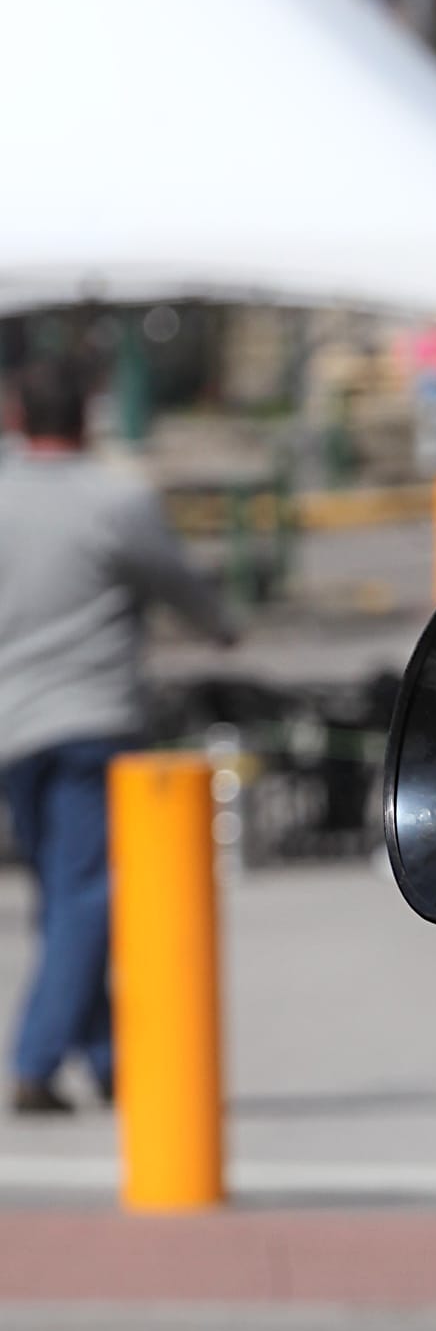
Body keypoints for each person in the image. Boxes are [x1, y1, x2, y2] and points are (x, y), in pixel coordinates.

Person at [0, 355, 235, 1114]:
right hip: (94, 720)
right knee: (87, 894)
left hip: (13, 728)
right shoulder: (115, 499)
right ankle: (36, 1062)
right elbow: (179, 583)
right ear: (88, 415)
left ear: (15, 416)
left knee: (65, 893)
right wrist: (224, 629)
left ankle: (108, 1063)